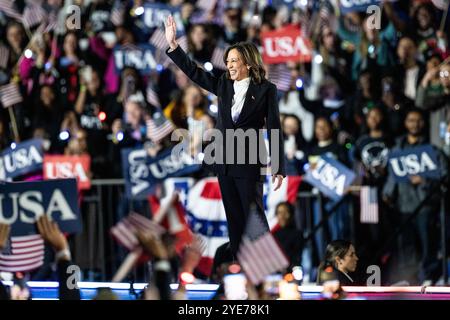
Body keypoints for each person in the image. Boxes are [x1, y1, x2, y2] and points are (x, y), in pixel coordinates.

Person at [165, 15, 285, 257]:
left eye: (234, 61)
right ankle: (238, 269)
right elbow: (194, 73)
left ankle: (264, 268)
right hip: (225, 162)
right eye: (228, 60)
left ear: (248, 63)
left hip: (249, 161)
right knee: (235, 221)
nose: (229, 65)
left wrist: (279, 166)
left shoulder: (266, 90)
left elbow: (274, 128)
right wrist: (174, 46)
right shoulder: (223, 84)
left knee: (255, 219)